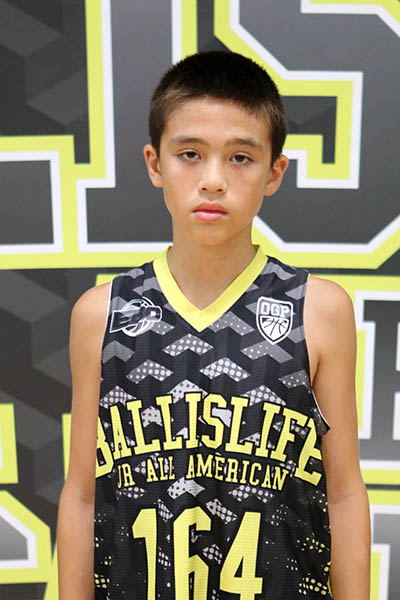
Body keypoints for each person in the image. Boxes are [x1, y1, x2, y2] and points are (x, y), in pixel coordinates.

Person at [57, 50, 370, 599]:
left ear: (275, 173)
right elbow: (83, 495)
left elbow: (342, 493)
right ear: (155, 164)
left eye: (240, 158)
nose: (213, 180)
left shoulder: (317, 309)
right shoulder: (102, 313)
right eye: (190, 154)